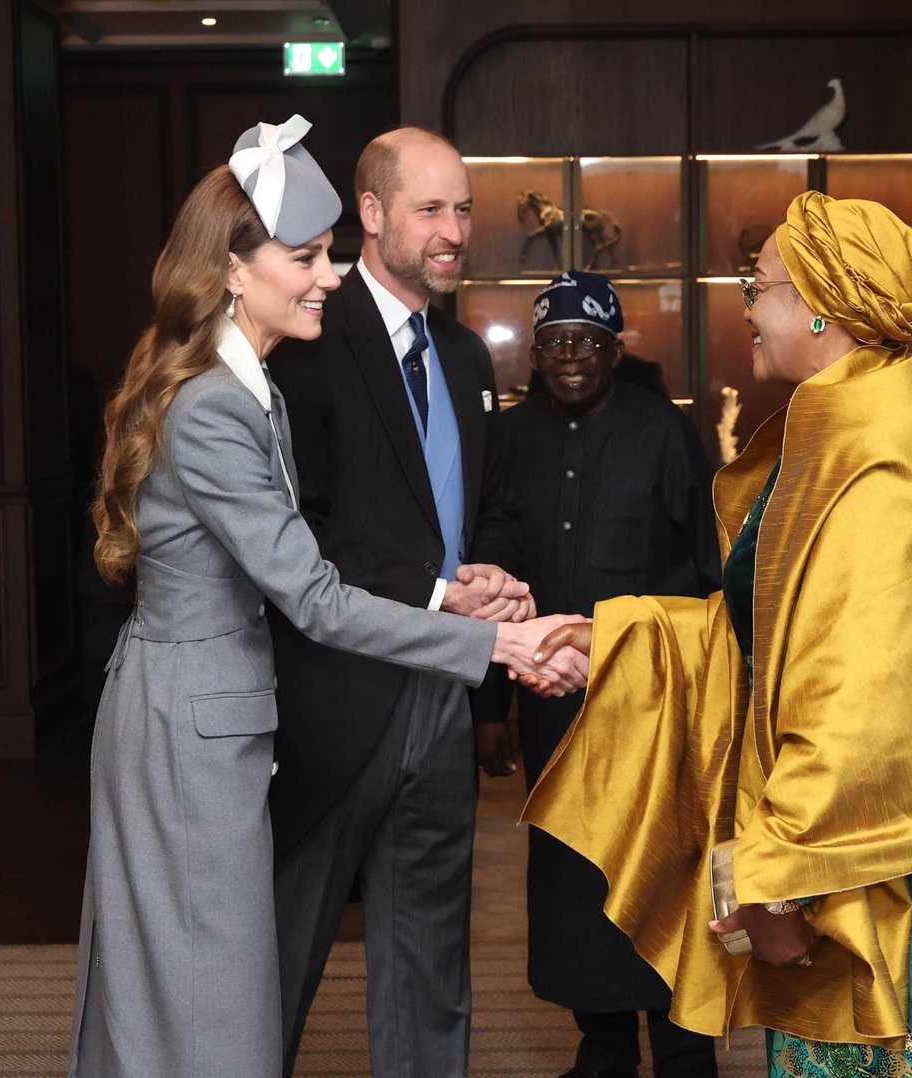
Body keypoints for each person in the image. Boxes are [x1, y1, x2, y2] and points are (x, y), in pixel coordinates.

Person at [68, 115, 581, 1077]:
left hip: (219, 712)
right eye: (304, 257)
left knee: (199, 991)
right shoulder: (219, 406)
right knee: (206, 995)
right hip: (191, 723)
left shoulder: (249, 388)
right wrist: (498, 645)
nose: (329, 275)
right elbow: (314, 596)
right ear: (233, 270)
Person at [521, 194, 912, 1076]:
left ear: (821, 308)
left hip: (904, 855)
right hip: (865, 832)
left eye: (756, 287)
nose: (746, 309)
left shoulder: (879, 462)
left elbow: (862, 701)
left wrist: (770, 881)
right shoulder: (847, 423)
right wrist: (616, 636)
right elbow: (773, 628)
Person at [265, 125, 528, 1076]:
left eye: (464, 209)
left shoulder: (464, 356)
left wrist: (489, 578)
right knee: (276, 965)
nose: (454, 230)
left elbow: (485, 506)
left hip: (443, 697)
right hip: (332, 697)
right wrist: (438, 593)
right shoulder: (305, 340)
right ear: (371, 214)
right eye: (431, 209)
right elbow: (300, 532)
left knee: (430, 971)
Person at [485, 271, 723, 1078]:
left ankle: (685, 1054)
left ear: (615, 350)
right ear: (534, 355)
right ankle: (606, 1047)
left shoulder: (664, 430)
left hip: (654, 707)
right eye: (553, 343)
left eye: (586, 342)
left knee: (662, 874)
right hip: (550, 708)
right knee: (573, 885)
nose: (569, 357)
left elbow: (711, 570)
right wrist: (489, 707)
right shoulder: (510, 438)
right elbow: (495, 570)